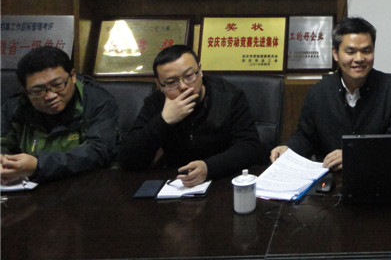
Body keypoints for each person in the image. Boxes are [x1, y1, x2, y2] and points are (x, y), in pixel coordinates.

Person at [270, 16, 391, 171]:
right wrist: (289, 149)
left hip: (376, 175)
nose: (359, 59)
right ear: (335, 53)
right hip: (330, 177)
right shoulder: (318, 93)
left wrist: (353, 155)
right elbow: (306, 137)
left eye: (366, 51)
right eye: (350, 52)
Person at [118, 44, 262, 186]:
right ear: (160, 85)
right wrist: (164, 120)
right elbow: (127, 160)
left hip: (224, 180)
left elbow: (250, 147)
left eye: (189, 76)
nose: (183, 86)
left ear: (200, 71)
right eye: (171, 82)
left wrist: (209, 167)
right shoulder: (156, 102)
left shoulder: (229, 96)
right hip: (176, 182)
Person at [1, 46, 118, 184]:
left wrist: (39, 166)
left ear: (73, 76)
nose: (50, 96)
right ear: (25, 91)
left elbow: (99, 151)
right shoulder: (16, 107)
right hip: (28, 187)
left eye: (57, 85)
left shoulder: (97, 101)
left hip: (88, 184)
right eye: (37, 90)